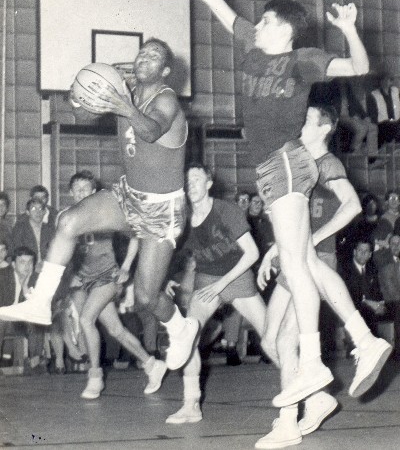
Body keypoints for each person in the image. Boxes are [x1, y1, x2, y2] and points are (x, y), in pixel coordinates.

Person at [149, 0, 372, 410]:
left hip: (286, 161)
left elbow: (359, 67)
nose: (262, 22)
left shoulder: (302, 60)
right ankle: (348, 348)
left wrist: (351, 30)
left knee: (297, 260)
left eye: (271, 19)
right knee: (300, 262)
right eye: (263, 19)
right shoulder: (252, 49)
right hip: (269, 170)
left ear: (288, 30)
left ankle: (314, 362)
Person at [0, 38, 199, 373]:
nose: (143, 60)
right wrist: (82, 96)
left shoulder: (168, 102)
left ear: (165, 71)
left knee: (148, 298)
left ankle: (180, 326)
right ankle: (39, 301)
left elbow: (150, 130)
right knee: (68, 222)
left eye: (153, 58)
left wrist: (123, 106)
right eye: (141, 54)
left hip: (162, 209)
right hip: (129, 194)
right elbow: (82, 104)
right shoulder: (125, 87)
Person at [257, 105, 391, 449]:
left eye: (308, 119)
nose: (299, 123)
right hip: (296, 255)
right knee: (270, 340)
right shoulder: (295, 162)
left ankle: (287, 421)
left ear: (326, 127)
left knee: (286, 341)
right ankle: (316, 397)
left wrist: (313, 239)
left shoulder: (327, 163)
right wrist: (276, 248)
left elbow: (352, 205)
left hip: (316, 257)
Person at [164, 162, 268, 424]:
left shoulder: (226, 210)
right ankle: (191, 404)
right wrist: (164, 278)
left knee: (272, 336)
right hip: (207, 279)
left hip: (237, 275)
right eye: (187, 180)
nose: (192, 184)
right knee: (189, 334)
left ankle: (307, 389)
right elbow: (168, 253)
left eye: (197, 179)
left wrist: (222, 285)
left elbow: (253, 253)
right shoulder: (183, 219)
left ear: (209, 183)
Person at [66, 170, 167, 398]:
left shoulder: (106, 215)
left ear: (93, 192)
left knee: (85, 319)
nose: (82, 192)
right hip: (83, 279)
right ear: (71, 192)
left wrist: (126, 266)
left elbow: (135, 234)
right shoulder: (67, 217)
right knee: (116, 329)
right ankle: (151, 364)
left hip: (107, 276)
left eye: (86, 188)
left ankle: (95, 376)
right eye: (77, 189)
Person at [374, 233, 400, 360]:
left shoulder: (397, 260)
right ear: (389, 245)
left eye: (398, 243)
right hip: (389, 301)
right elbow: (391, 290)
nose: (396, 246)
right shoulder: (385, 261)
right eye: (393, 243)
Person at [367, 71, 400, 147]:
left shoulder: (396, 91)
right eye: (383, 80)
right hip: (382, 123)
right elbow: (373, 114)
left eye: (389, 80)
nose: (386, 82)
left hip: (396, 122)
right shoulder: (373, 94)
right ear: (380, 81)